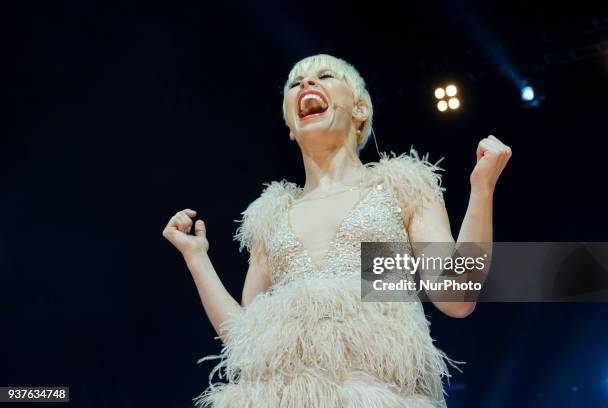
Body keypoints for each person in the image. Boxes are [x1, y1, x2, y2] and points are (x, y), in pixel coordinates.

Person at [162, 54, 512, 407]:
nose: (307, 84)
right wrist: (196, 258)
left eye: (324, 76)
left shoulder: (401, 188)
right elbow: (244, 339)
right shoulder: (271, 217)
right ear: (289, 124)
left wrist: (482, 190)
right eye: (295, 83)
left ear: (360, 110)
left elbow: (456, 297)